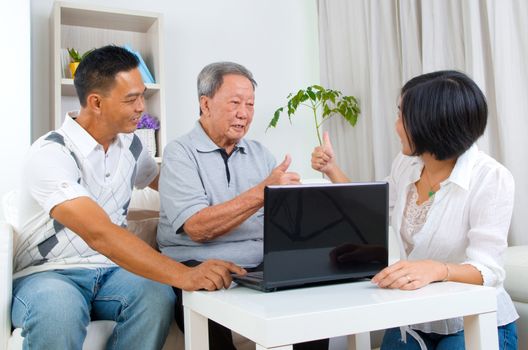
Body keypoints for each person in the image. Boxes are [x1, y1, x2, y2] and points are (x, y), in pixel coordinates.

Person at [11, 46, 245, 350]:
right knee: (59, 311)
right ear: (95, 102)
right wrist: (185, 275)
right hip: (49, 274)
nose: (142, 108)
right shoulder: (51, 153)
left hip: (111, 272)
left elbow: (171, 186)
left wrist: (222, 209)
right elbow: (99, 233)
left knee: (156, 296)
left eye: (143, 95)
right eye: (131, 99)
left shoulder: (131, 146)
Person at [311, 70, 518, 350]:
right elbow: (372, 209)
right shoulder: (406, 165)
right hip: (416, 317)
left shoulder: (490, 178)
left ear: (430, 123)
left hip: (472, 319)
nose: (396, 125)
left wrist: (436, 269)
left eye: (401, 116)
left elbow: (488, 271)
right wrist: (331, 170)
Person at [158, 61, 328, 350]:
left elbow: (282, 224)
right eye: (235, 102)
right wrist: (263, 192)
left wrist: (295, 206)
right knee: (205, 302)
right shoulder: (179, 153)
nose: (244, 113)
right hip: (198, 263)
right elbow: (197, 228)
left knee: (311, 298)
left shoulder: (259, 154)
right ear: (206, 104)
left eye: (250, 104)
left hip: (259, 262)